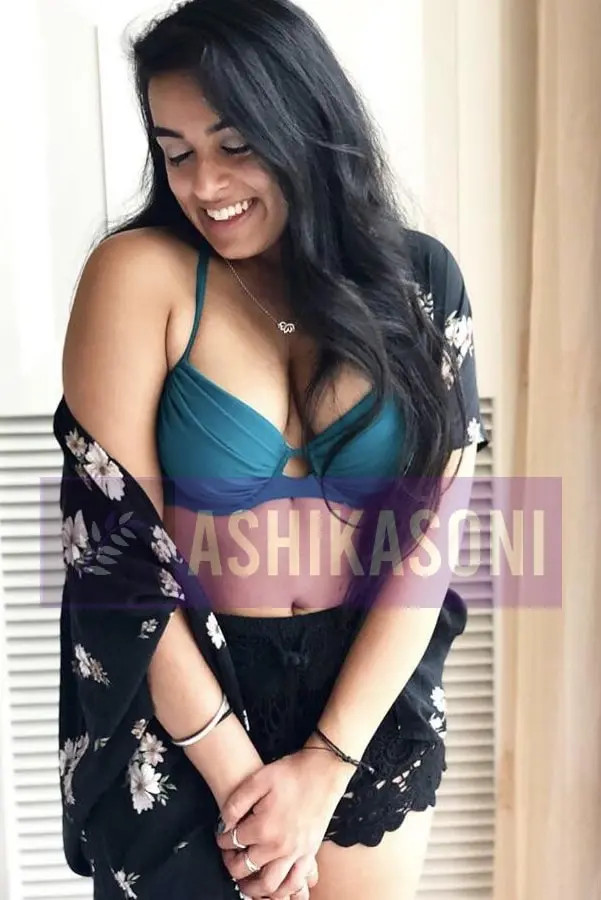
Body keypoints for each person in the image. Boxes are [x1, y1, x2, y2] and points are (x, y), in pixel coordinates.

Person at [55, 1, 489, 898]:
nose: (205, 184)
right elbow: (118, 560)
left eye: (235, 144)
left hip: (363, 697)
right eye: (176, 153)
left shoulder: (420, 283)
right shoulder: (139, 277)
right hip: (184, 700)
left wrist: (325, 765)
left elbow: (428, 545)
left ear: (305, 124)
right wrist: (237, 779)